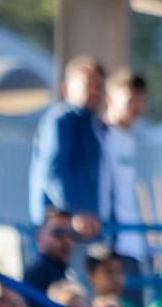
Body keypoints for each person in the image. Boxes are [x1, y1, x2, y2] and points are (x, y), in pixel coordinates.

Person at [27, 56, 105, 241]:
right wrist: (75, 211)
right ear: (67, 89)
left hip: (86, 228)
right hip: (63, 231)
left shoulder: (92, 126)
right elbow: (52, 171)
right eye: (88, 85)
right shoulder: (61, 121)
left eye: (99, 86)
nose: (95, 91)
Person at [101, 69, 150, 271]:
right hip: (111, 245)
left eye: (140, 101)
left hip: (134, 245)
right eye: (130, 100)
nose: (136, 107)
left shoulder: (132, 140)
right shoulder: (100, 137)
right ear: (111, 97)